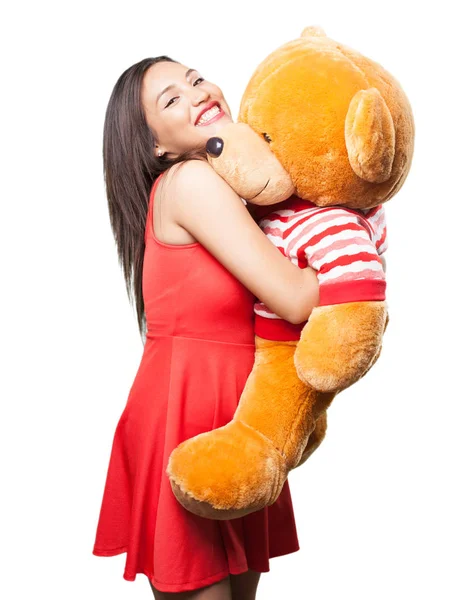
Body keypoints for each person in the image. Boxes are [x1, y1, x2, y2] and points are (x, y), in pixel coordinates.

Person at [92, 56, 320, 600]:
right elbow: (292, 298)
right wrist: (361, 254)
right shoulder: (190, 181)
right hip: (186, 421)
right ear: (157, 147)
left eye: (195, 79)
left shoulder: (228, 187)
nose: (196, 93)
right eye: (171, 99)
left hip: (233, 418)